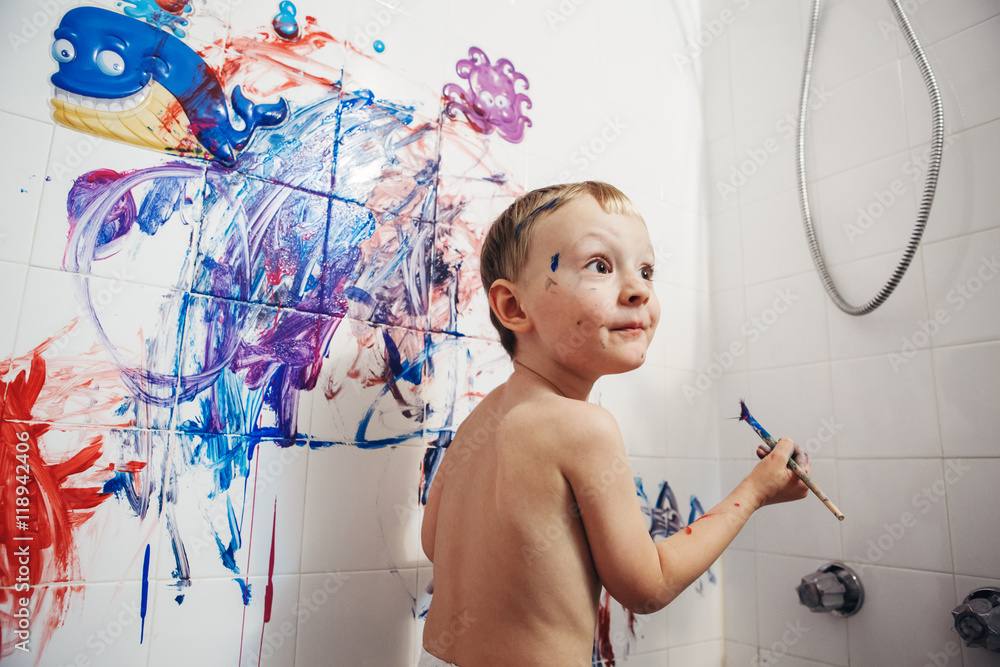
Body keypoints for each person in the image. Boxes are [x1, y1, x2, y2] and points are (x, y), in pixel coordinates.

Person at [419, 182, 809, 667]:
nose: (639, 288)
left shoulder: (480, 420)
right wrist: (754, 492)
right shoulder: (584, 426)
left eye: (646, 270)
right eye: (600, 266)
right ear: (514, 308)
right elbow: (649, 587)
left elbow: (434, 541)